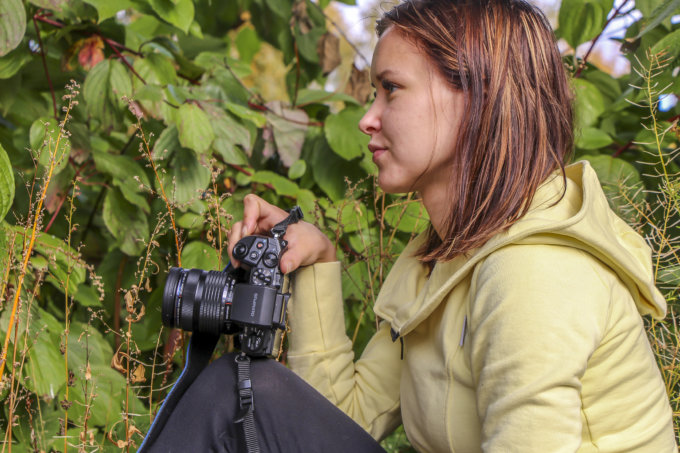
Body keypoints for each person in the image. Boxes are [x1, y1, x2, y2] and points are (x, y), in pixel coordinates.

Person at [145, 0, 677, 451]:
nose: (367, 118)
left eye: (391, 89)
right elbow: (338, 421)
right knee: (243, 391)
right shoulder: (445, 259)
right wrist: (317, 263)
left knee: (236, 394)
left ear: (477, 99)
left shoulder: (534, 273)